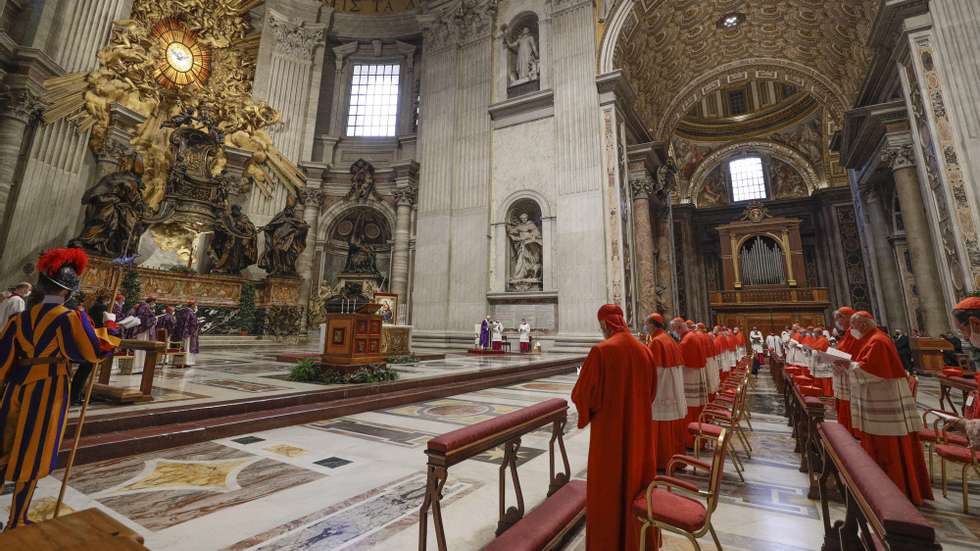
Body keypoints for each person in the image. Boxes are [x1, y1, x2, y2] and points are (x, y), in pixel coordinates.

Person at [0, 248, 118, 529]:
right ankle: (16, 520)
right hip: (48, 390)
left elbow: (3, 361)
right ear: (68, 293)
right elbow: (92, 352)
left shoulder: (20, 319)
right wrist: (110, 327)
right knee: (33, 451)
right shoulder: (68, 318)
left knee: (4, 445)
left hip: (16, 388)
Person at [572, 304, 657, 550]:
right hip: (640, 434)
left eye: (601, 328)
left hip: (609, 437)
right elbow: (651, 393)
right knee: (636, 485)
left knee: (608, 491)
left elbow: (582, 395)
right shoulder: (645, 351)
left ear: (606, 325)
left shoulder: (601, 351)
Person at [843, 311, 932, 505]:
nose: (851, 330)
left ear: (864, 325)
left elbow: (870, 369)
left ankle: (892, 487)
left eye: (853, 326)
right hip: (881, 396)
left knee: (888, 446)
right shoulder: (874, 339)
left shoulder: (877, 341)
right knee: (882, 442)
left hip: (884, 399)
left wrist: (848, 365)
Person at [647, 313, 687, 470]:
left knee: (660, 418)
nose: (646, 327)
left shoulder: (657, 341)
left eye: (647, 324)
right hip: (670, 387)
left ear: (652, 325)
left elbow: (651, 369)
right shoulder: (668, 338)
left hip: (662, 388)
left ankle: (662, 459)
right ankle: (673, 457)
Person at [70, 291, 111, 405]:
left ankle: (75, 394)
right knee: (84, 370)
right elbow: (102, 324)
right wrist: (111, 324)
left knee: (82, 371)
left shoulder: (91, 305)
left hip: (87, 337)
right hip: (95, 340)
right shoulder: (101, 307)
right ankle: (75, 396)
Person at [672, 317, 707, 449]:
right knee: (695, 410)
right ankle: (697, 440)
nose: (674, 332)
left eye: (674, 329)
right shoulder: (692, 336)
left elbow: (679, 361)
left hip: (689, 376)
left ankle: (690, 441)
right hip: (694, 374)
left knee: (690, 411)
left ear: (680, 328)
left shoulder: (687, 340)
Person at [126, 296, 157, 367]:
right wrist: (154, 319)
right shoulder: (145, 306)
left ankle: (140, 364)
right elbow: (144, 318)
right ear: (151, 301)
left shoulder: (144, 306)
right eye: (154, 302)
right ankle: (138, 365)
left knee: (142, 346)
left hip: (143, 329)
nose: (154, 303)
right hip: (143, 330)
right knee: (141, 345)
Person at [174, 300, 200, 366]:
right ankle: (186, 362)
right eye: (195, 305)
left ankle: (183, 362)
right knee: (187, 347)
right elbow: (190, 323)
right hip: (189, 333)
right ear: (192, 305)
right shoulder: (189, 312)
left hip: (186, 332)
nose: (196, 306)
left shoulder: (185, 311)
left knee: (185, 346)